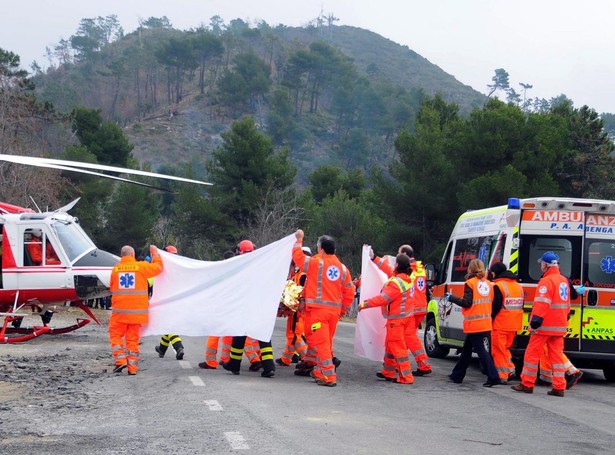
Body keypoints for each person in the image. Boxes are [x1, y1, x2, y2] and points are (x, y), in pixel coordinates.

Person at [292, 230, 355, 387]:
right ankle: (317, 369)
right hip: (333, 313)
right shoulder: (342, 268)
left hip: (319, 312)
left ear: (321, 249)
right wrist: (342, 309)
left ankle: (328, 375)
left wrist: (299, 239)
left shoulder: (316, 263)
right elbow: (350, 291)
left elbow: (298, 258)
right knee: (323, 341)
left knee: (322, 344)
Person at [512, 251, 571, 397]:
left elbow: (541, 304)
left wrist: (534, 323)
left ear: (545, 264)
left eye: (541, 264)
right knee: (556, 358)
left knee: (532, 355)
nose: (541, 266)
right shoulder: (564, 280)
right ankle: (559, 387)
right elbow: (567, 305)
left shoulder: (546, 281)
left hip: (544, 327)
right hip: (559, 326)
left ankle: (527, 384)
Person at [371, 244, 432, 375]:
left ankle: (411, 366)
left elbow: (389, 270)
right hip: (419, 308)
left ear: (404, 254)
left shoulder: (408, 269)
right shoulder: (420, 268)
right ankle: (391, 368)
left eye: (399, 253)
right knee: (404, 338)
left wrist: (374, 258)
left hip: (410, 309)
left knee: (404, 338)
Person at [221, 239, 275, 378]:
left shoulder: (238, 266)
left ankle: (234, 364)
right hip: (259, 304)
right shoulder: (261, 265)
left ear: (239, 251)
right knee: (263, 334)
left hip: (243, 305)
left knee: (239, 334)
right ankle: (269, 366)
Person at [358, 254, 416, 384]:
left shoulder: (396, 283)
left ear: (397, 265)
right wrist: (374, 257)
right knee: (390, 346)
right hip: (404, 318)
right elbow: (387, 268)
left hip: (397, 320)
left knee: (398, 348)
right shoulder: (407, 278)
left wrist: (364, 304)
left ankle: (406, 377)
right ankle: (388, 371)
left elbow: (383, 299)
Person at [109, 244, 163, 375]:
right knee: (132, 340)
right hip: (136, 313)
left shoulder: (115, 270)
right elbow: (158, 268)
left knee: (115, 335)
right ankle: (132, 368)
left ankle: (120, 360)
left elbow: (111, 288)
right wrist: (155, 254)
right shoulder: (141, 267)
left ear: (122, 256)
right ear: (132, 255)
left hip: (119, 313)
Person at [447, 258, 501, 387]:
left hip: (474, 323)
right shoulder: (489, 284)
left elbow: (467, 302)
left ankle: (493, 376)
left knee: (481, 351)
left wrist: (451, 298)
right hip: (485, 322)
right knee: (466, 350)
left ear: (470, 269)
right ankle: (457, 375)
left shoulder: (470, 283)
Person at [489, 262, 524, 383]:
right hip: (514, 324)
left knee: (498, 350)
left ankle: (502, 375)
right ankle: (510, 368)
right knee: (505, 348)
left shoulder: (498, 286)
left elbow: (496, 306)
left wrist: (490, 319)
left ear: (495, 272)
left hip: (500, 324)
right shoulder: (518, 285)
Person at [275, 246, 311, 367]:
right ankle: (286, 359)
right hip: (296, 309)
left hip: (299, 310)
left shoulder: (303, 274)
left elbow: (302, 292)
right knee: (292, 334)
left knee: (295, 336)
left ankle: (307, 361)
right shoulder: (298, 272)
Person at [154, 245, 185, 360]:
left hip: (166, 300)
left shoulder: (162, 267)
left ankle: (178, 347)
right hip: (177, 300)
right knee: (167, 324)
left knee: (169, 325)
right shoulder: (179, 267)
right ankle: (162, 349)